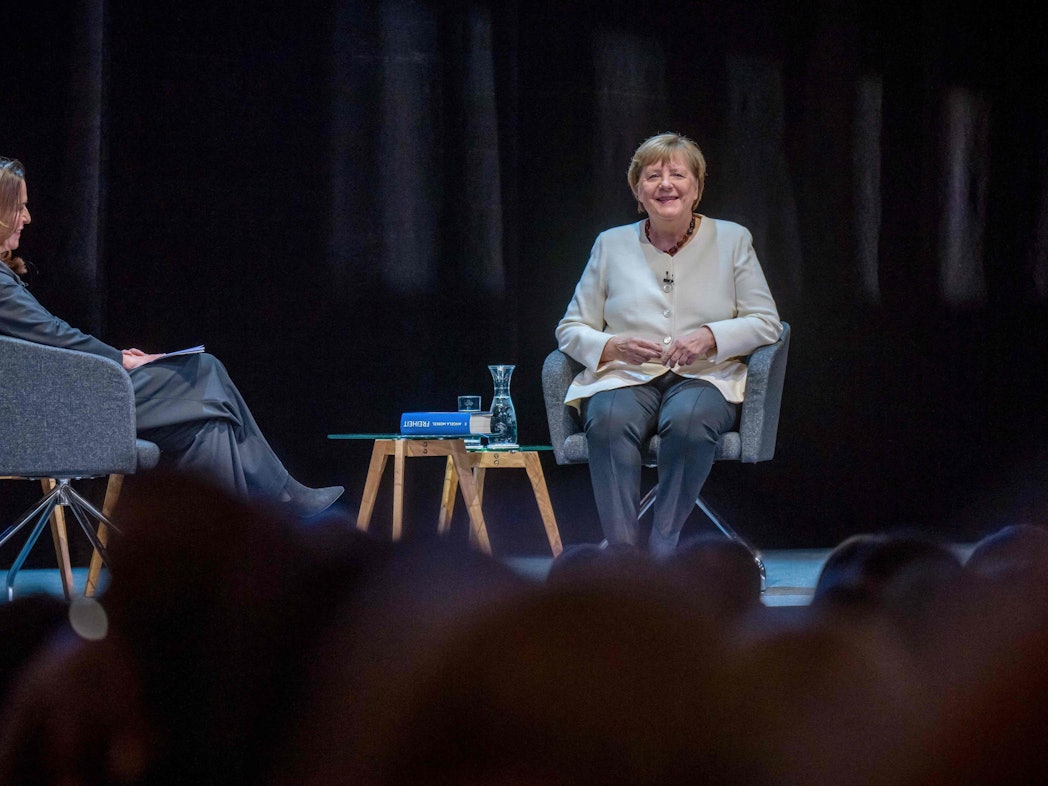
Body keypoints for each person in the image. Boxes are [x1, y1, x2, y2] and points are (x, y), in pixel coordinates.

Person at [0, 157, 342, 516]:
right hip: (56, 413)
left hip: (61, 401)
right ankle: (279, 496)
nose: (27, 218)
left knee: (207, 427)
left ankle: (213, 558)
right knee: (204, 370)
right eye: (20, 207)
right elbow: (54, 336)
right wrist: (121, 359)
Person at [556, 132, 781, 556]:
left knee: (691, 420)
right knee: (605, 420)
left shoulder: (732, 240)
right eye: (653, 175)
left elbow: (767, 323)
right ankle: (623, 555)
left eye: (678, 174)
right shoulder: (610, 244)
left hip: (705, 376)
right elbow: (570, 329)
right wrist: (613, 345)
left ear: (696, 188)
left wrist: (711, 336)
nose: (665, 184)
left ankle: (663, 541)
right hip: (626, 376)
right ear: (637, 190)